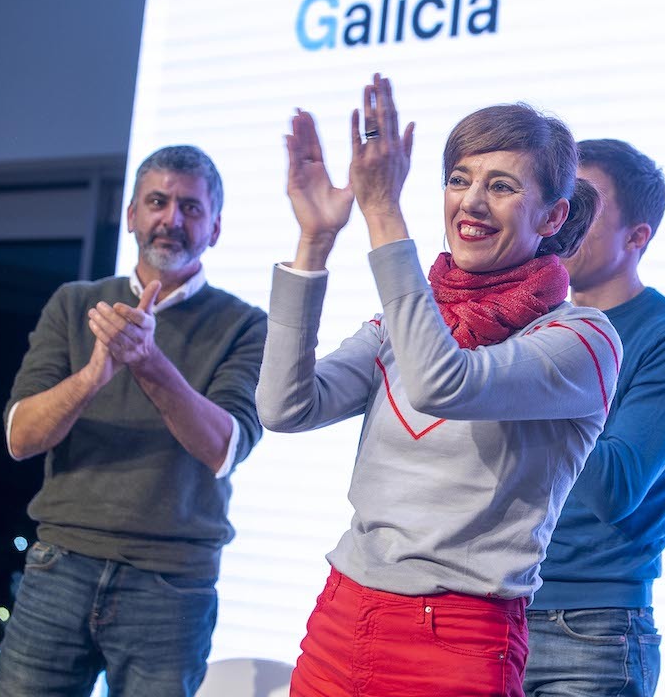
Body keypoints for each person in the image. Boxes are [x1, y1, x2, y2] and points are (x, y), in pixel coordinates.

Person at [256, 75, 621, 697]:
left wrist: (380, 212)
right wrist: (315, 241)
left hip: (456, 636)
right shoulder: (408, 321)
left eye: (501, 186)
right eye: (459, 180)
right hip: (342, 614)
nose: (471, 203)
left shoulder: (584, 340)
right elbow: (286, 407)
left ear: (553, 215)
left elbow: (441, 383)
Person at [0, 146, 268, 697]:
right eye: (158, 202)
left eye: (191, 208)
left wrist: (146, 360)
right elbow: (21, 438)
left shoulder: (245, 325)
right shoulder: (76, 305)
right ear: (131, 216)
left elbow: (225, 447)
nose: (172, 219)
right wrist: (95, 374)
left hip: (172, 587)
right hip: (58, 567)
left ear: (214, 228)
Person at [524, 139, 665, 697]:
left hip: (588, 631)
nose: (562, 220)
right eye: (559, 200)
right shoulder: (528, 322)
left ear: (638, 237)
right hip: (489, 606)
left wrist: (526, 380)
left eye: (584, 204)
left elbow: (614, 487)